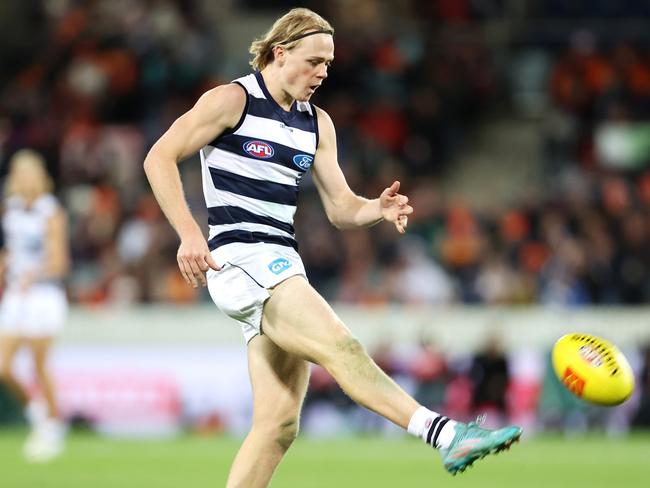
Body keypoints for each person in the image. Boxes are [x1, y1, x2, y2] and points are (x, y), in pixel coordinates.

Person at [144, 8, 521, 486]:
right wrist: (189, 232)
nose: (323, 72)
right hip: (242, 258)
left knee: (277, 425)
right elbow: (159, 157)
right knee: (340, 345)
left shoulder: (316, 124)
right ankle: (446, 436)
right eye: (314, 60)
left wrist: (375, 209)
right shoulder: (230, 100)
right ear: (280, 53)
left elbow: (341, 207)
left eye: (329, 63)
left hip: (278, 262)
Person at [0, 149, 69, 462]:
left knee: (40, 366)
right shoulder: (10, 209)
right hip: (17, 294)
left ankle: (52, 427)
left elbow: (58, 261)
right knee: (3, 366)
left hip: (43, 294)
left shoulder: (50, 211)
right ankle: (38, 413)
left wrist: (32, 274)